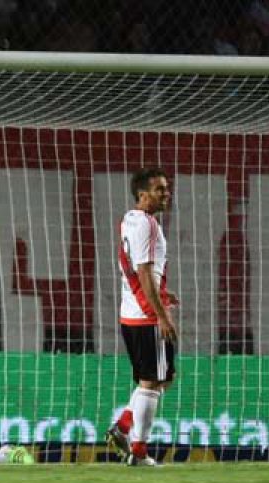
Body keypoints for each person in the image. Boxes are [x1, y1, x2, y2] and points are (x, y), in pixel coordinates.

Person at [105, 168, 178, 467]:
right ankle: (138, 450)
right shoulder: (146, 224)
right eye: (160, 189)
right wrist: (161, 314)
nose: (166, 193)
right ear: (143, 194)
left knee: (160, 379)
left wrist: (163, 291)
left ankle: (123, 427)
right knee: (152, 382)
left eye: (167, 187)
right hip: (146, 316)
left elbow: (138, 270)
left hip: (131, 311)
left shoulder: (129, 220)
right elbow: (144, 271)